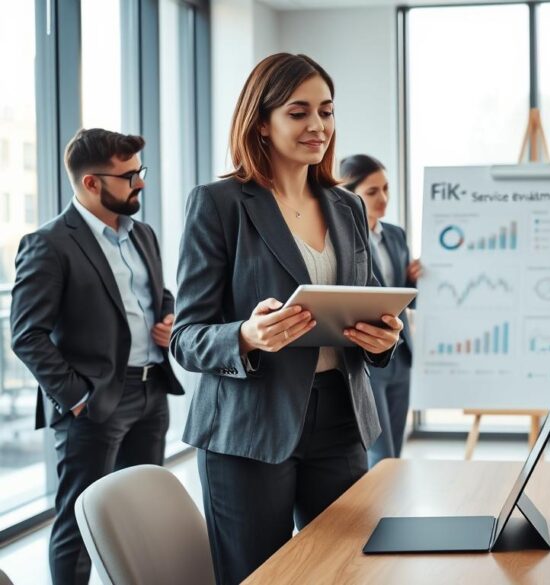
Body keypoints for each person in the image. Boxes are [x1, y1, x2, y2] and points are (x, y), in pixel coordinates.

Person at [169, 53, 402, 584]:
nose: (318, 126)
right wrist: (247, 336)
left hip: (341, 421)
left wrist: (381, 337)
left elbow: (361, 304)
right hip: (250, 426)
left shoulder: (345, 207)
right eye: (298, 113)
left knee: (343, 572)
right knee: (258, 576)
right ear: (261, 122)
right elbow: (185, 338)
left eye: (326, 111)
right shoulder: (218, 203)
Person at [10, 128, 184, 585]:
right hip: (94, 404)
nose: (140, 183)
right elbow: (27, 335)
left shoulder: (142, 234)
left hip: (152, 391)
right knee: (78, 523)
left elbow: (158, 294)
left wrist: (167, 318)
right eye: (129, 175)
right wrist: (78, 397)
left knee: (145, 514)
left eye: (139, 171)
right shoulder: (48, 244)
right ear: (91, 183)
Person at [338, 154, 420, 467]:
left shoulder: (396, 236)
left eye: (385, 189)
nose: (383, 198)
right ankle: (378, 514)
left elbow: (408, 301)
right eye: (372, 192)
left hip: (401, 355)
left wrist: (414, 282)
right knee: (380, 452)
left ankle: (391, 509)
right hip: (367, 358)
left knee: (395, 451)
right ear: (350, 193)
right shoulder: (343, 239)